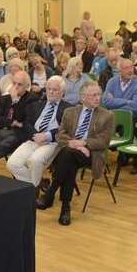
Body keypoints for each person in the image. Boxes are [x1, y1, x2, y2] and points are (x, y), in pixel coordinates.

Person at [36, 81, 114, 226]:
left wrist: (84, 144)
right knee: (69, 159)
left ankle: (51, 192)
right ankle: (65, 207)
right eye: (93, 95)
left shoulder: (107, 115)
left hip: (91, 154)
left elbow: (104, 141)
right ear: (83, 97)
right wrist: (76, 145)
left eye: (98, 94)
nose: (97, 98)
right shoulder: (70, 112)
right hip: (71, 151)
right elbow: (60, 134)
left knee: (67, 155)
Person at [7, 76, 72, 192]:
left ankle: (32, 193)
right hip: (34, 139)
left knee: (34, 160)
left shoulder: (68, 109)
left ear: (62, 92)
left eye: (55, 89)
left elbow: (66, 128)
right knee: (12, 164)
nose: (51, 92)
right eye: (49, 89)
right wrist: (36, 135)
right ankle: (36, 185)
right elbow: (27, 122)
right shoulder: (38, 104)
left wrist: (47, 135)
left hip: (52, 142)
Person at [0, 70, 36, 171]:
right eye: (14, 83)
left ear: (27, 86)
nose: (16, 87)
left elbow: (22, 119)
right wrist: (12, 122)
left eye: (20, 84)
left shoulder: (31, 99)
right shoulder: (5, 98)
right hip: (1, 131)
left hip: (18, 134)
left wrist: (15, 101)